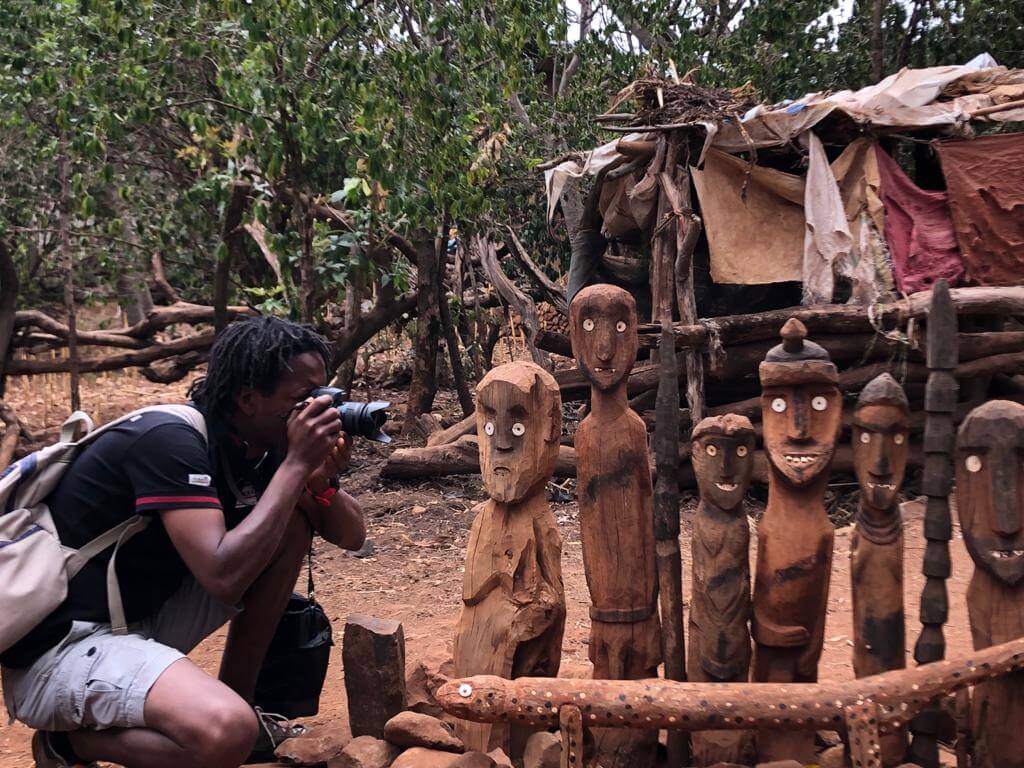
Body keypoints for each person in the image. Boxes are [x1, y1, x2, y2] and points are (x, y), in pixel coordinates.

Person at [1, 316, 366, 768]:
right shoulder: (169, 440)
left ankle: (241, 702)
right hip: (60, 652)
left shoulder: (262, 443)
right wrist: (293, 469)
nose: (322, 408)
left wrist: (320, 479)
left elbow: (352, 536)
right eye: (303, 399)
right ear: (249, 399)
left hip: (137, 623)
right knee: (222, 733)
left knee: (288, 524)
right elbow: (222, 576)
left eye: (323, 394)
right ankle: (67, 745)